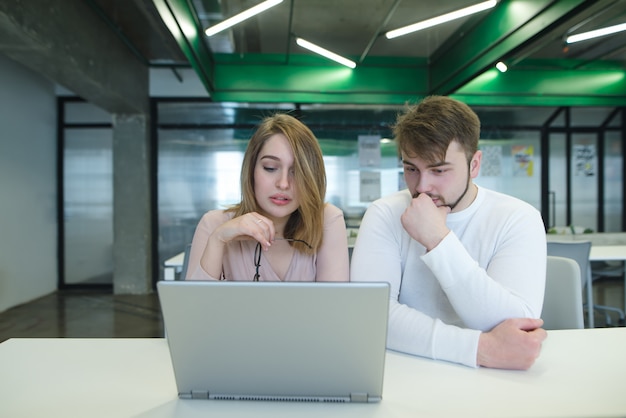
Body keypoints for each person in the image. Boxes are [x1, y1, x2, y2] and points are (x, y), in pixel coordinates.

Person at [350, 96, 547, 370]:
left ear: (474, 165)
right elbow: (371, 315)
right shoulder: (384, 213)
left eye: (439, 170)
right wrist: (480, 349)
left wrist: (438, 240)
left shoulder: (518, 218)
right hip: (408, 372)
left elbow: (516, 323)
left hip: (496, 381)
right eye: (411, 169)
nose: (422, 187)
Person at [186, 113, 349, 283]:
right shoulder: (214, 225)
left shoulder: (326, 220)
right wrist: (218, 239)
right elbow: (192, 308)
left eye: (297, 172)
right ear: (251, 171)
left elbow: (335, 307)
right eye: (270, 168)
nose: (284, 184)